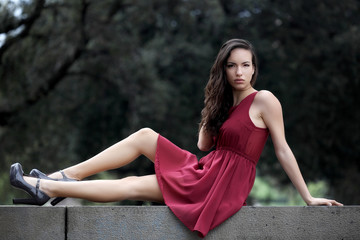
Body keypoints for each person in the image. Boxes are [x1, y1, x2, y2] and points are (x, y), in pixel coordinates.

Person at [9, 39, 342, 238]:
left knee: (133, 183)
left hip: (222, 183)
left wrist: (308, 197)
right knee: (144, 137)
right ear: (223, 69)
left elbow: (283, 149)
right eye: (231, 66)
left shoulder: (265, 99)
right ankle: (59, 178)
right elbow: (203, 146)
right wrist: (214, 102)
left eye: (246, 65)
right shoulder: (226, 103)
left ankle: (47, 187)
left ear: (255, 68)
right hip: (206, 168)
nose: (240, 73)